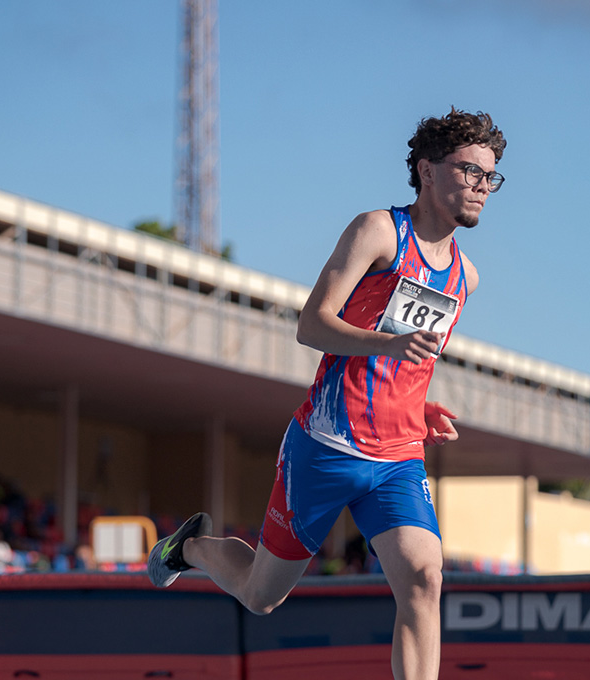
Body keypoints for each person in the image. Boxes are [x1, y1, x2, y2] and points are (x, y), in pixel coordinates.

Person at [148, 107, 506, 680]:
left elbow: (410, 361)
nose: (481, 188)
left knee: (424, 577)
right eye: (469, 172)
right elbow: (311, 325)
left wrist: (420, 407)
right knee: (262, 595)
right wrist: (386, 347)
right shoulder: (380, 231)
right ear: (427, 170)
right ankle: (188, 549)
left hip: (396, 458)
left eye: (490, 177)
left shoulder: (466, 276)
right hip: (327, 445)